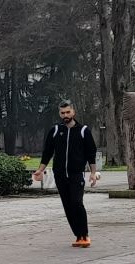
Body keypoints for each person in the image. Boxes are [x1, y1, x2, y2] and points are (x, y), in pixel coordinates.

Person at [31, 101, 100, 247]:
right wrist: (40, 170)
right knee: (68, 206)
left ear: (73, 112)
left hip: (76, 174)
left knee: (77, 203)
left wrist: (93, 173)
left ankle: (84, 235)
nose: (65, 115)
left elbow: (91, 154)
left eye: (68, 112)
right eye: (62, 113)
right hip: (60, 175)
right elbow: (47, 152)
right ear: (59, 114)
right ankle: (78, 236)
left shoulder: (83, 131)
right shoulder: (55, 130)